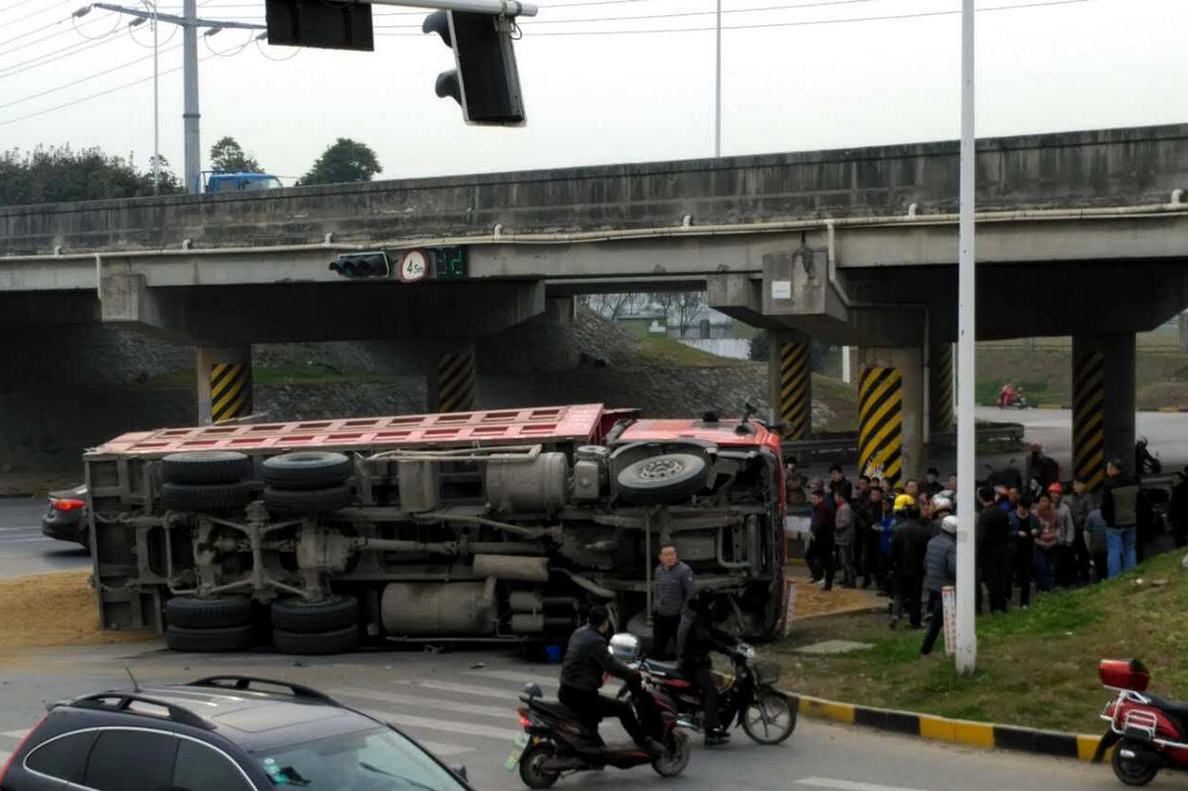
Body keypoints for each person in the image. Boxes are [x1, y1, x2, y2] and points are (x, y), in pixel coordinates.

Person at [559, 605, 663, 755]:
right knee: (623, 709)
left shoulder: (579, 633)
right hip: (581, 695)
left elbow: (602, 662)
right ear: (606, 623)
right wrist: (634, 674)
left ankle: (592, 749)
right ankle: (643, 741)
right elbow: (612, 666)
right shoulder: (595, 641)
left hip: (567, 690)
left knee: (595, 715)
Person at [677, 588, 740, 746]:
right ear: (710, 603)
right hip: (693, 664)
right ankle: (711, 732)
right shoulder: (699, 619)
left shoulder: (702, 615)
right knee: (712, 692)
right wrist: (728, 651)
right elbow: (706, 639)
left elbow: (715, 633)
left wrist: (734, 641)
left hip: (696, 661)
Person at [888, 494, 930, 629]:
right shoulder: (924, 531)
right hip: (917, 568)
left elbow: (892, 550)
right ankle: (915, 621)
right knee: (915, 595)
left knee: (899, 592)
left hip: (899, 566)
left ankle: (895, 613)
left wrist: (891, 564)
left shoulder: (897, 530)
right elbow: (925, 551)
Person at [921, 515, 958, 656]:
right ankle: (927, 648)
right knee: (940, 619)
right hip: (946, 586)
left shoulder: (932, 542)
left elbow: (926, 563)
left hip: (932, 584)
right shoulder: (951, 546)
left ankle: (946, 644)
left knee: (941, 616)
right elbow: (953, 568)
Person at [651, 544, 693, 659]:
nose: (670, 557)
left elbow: (689, 594)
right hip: (660, 615)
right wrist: (655, 607)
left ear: (676, 555)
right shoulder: (658, 570)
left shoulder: (684, 571)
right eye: (666, 555)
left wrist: (684, 612)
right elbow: (657, 589)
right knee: (657, 646)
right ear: (661, 557)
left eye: (672, 554)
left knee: (681, 647)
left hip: (677, 616)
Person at [1101, 458, 1140, 577]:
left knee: (1114, 551)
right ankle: (1131, 574)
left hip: (1114, 524)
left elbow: (1106, 507)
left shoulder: (1109, 486)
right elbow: (1138, 503)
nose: (1107, 470)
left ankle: (1114, 578)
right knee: (1129, 549)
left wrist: (1107, 519)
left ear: (1114, 469)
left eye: (1108, 467)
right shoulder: (1134, 483)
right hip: (1131, 521)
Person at [976, 485, 1012, 613]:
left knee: (992, 584)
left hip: (988, 555)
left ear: (981, 498)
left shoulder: (984, 515)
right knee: (1001, 582)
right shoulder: (1003, 512)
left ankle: (995, 608)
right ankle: (1002, 608)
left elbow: (982, 537)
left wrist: (978, 555)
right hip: (1003, 552)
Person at [1008, 496, 1039, 608]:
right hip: (1014, 551)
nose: (1024, 511)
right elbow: (1006, 532)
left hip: (1028, 551)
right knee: (1010, 574)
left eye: (1027, 509)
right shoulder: (1010, 516)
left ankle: (1024, 602)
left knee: (1026, 577)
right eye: (1023, 508)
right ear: (1018, 506)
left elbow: (1038, 528)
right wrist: (1017, 533)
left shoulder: (1033, 518)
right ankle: (1008, 595)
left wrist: (1036, 532)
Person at [1065, 478, 1095, 582]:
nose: (1075, 487)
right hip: (1073, 528)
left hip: (1083, 528)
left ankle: (1085, 577)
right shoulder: (1073, 497)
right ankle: (1074, 577)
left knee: (1083, 554)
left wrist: (1079, 518)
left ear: (1083, 485)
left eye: (1077, 484)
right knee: (1072, 552)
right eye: (1074, 485)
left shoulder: (1088, 497)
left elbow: (1089, 513)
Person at [1049, 483, 1077, 587]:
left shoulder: (1065, 508)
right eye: (1053, 493)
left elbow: (1069, 524)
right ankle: (1056, 583)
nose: (1055, 496)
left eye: (1057, 493)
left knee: (1065, 563)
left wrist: (1069, 539)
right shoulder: (1046, 507)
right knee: (1055, 564)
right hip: (1050, 541)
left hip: (1063, 541)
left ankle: (1066, 582)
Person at [807, 489, 835, 590]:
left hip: (823, 539)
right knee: (821, 559)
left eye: (814, 498)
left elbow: (821, 523)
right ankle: (821, 578)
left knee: (825, 561)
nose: (812, 500)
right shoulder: (819, 507)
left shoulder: (822, 508)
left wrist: (814, 531)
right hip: (822, 537)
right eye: (812, 498)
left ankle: (823, 580)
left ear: (820, 498)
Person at [1032, 493, 1060, 593]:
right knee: (1041, 567)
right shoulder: (1034, 514)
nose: (1044, 503)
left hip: (1051, 543)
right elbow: (1032, 530)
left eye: (1046, 501)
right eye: (1042, 501)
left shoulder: (1054, 513)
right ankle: (1041, 588)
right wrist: (1039, 542)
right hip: (1039, 544)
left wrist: (1056, 538)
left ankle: (1046, 589)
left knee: (1048, 567)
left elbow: (1058, 527)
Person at [834, 490, 856, 588]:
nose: (835, 499)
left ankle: (851, 582)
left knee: (847, 561)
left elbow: (845, 522)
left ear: (841, 497)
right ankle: (846, 579)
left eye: (836, 496)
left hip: (845, 538)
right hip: (842, 538)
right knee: (843, 561)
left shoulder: (845, 508)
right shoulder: (842, 507)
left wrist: (835, 526)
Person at [1170, 471, 1188, 549]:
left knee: (1180, 539)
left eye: (1174, 479)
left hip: (1180, 518)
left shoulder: (1179, 489)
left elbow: (1175, 505)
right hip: (1179, 518)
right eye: (1172, 479)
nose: (1173, 481)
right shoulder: (1176, 489)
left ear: (1181, 479)